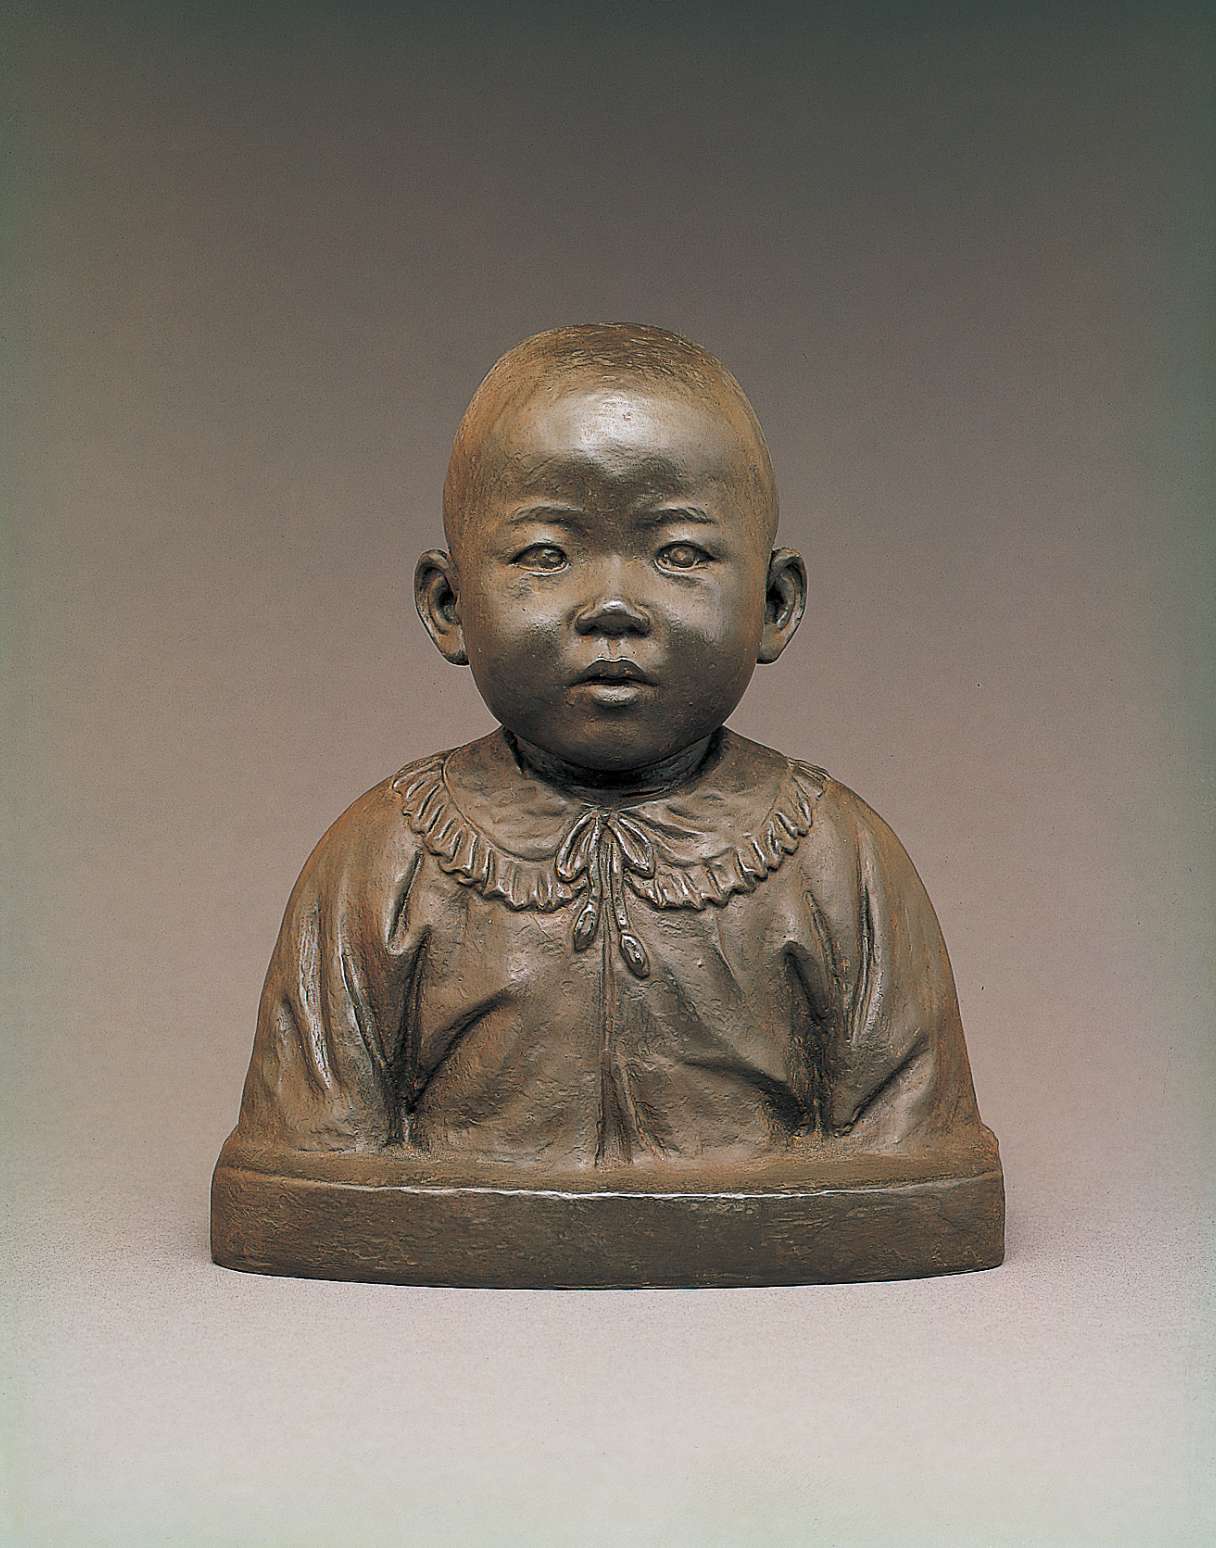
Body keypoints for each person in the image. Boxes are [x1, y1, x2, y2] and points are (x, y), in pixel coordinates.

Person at [225, 323, 995, 1179]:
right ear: (448, 604)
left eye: (678, 554)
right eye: (547, 555)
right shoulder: (379, 860)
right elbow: (309, 1165)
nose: (614, 606)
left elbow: (914, 1165)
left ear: (775, 603)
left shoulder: (839, 860)